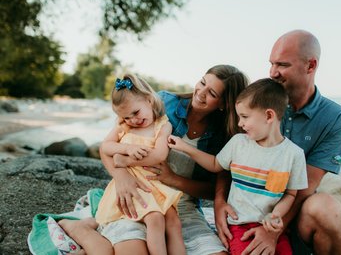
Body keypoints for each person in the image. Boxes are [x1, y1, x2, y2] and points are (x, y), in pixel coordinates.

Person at [59, 65, 249, 255]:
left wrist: (174, 179)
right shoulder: (160, 103)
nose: (200, 93)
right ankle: (89, 229)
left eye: (212, 93)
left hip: (180, 206)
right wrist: (121, 176)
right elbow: (108, 148)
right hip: (137, 193)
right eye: (202, 82)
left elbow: (212, 189)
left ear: (224, 103)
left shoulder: (225, 135)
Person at [214, 30, 341, 255]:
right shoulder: (258, 102)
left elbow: (305, 187)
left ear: (311, 65)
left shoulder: (335, 118)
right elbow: (230, 158)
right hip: (246, 213)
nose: (272, 72)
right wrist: (219, 201)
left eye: (282, 65)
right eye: (271, 63)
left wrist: (273, 231)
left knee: (328, 209)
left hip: (292, 212)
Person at [167, 78, 308, 255]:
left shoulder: (294, 154)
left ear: (269, 116)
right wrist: (184, 147)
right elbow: (215, 164)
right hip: (238, 225)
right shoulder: (238, 143)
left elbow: (291, 193)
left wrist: (276, 214)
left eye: (245, 117)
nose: (240, 123)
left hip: (271, 229)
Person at [93, 74, 185, 255]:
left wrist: (125, 160)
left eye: (135, 113)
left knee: (174, 222)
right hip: (131, 183)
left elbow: (159, 154)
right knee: (156, 219)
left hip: (154, 184)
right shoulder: (123, 127)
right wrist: (126, 147)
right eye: (126, 117)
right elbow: (105, 146)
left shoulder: (162, 125)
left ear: (149, 100)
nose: (133, 120)